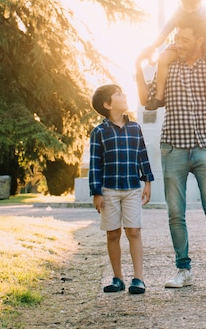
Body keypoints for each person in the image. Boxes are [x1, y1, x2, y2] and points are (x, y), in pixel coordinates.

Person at [135, 12, 206, 292]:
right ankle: (183, 269)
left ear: (199, 39)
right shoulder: (169, 64)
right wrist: (138, 67)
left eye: (184, 38)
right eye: (177, 37)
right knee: (175, 212)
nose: (178, 42)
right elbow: (151, 100)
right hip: (173, 147)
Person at [88, 84, 154, 294]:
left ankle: (138, 279)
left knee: (133, 231)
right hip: (109, 190)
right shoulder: (99, 132)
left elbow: (142, 156)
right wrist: (96, 192)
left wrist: (148, 182)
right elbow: (95, 163)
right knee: (113, 234)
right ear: (107, 104)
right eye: (119, 94)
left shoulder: (135, 128)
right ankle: (118, 278)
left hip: (133, 188)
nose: (124, 95)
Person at [139, 0, 206, 113]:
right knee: (163, 58)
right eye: (187, 6)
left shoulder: (205, 12)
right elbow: (166, 30)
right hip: (182, 43)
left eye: (194, 6)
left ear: (200, 2)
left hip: (204, 45)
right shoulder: (178, 12)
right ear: (180, 1)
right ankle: (159, 96)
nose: (190, 10)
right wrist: (153, 46)